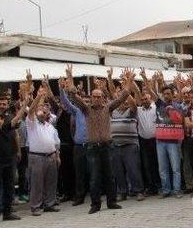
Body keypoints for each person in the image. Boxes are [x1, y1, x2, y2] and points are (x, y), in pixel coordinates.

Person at [65, 65, 133, 214]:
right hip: (93, 148)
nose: (96, 98)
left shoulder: (108, 107)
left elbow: (123, 96)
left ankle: (112, 202)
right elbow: (73, 95)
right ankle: (95, 205)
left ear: (103, 97)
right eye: (94, 96)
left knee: (110, 175)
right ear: (91, 98)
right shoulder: (86, 109)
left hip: (107, 146)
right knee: (95, 177)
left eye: (99, 96)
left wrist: (128, 80)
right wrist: (70, 77)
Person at [26, 84, 61, 216]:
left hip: (51, 156)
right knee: (37, 183)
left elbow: (56, 143)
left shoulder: (50, 126)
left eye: (45, 111)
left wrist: (57, 155)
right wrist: (39, 97)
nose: (43, 112)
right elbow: (31, 111)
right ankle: (35, 206)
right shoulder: (32, 122)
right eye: (40, 110)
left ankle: (49, 204)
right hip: (37, 157)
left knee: (51, 181)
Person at [0, 98, 25, 224]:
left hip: (8, 161)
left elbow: (16, 119)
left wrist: (25, 103)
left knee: (9, 186)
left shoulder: (5, 126)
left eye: (1, 119)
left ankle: (7, 212)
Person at [110, 88, 145, 202]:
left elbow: (133, 103)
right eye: (119, 99)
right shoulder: (112, 112)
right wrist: (118, 96)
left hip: (130, 145)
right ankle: (122, 192)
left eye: (123, 99)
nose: (122, 102)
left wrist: (125, 92)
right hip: (115, 145)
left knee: (133, 169)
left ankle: (139, 191)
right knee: (118, 171)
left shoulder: (132, 111)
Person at [136, 87, 161, 196]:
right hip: (144, 142)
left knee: (157, 164)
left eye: (146, 99)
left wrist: (147, 81)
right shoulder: (138, 110)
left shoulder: (156, 108)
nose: (145, 101)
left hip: (156, 141)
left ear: (150, 99)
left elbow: (157, 98)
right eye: (143, 99)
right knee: (146, 165)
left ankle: (159, 185)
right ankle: (151, 187)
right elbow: (135, 94)